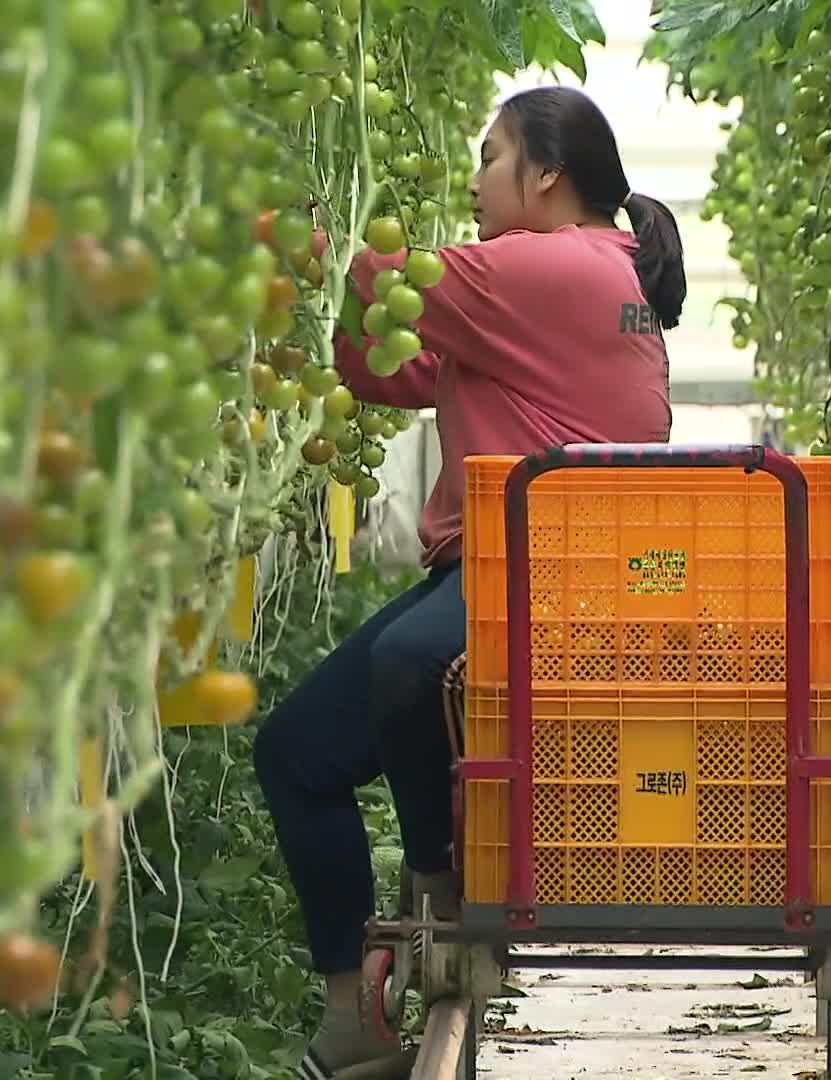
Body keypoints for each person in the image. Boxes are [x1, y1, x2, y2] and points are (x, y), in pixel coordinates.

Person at [252, 85, 683, 1078]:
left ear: (546, 174)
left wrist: (267, 210)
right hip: (501, 566)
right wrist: (327, 314)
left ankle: (446, 903)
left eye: (491, 157)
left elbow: (380, 278)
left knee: (410, 659)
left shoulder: (553, 264)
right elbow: (385, 367)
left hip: (543, 570)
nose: (476, 180)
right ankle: (355, 1019)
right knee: (297, 754)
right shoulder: (567, 279)